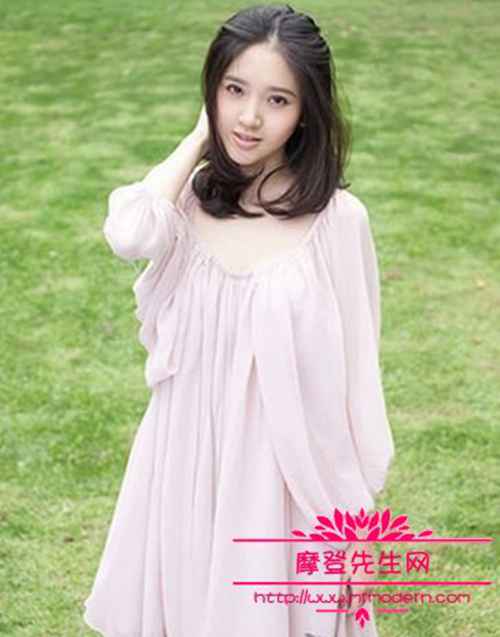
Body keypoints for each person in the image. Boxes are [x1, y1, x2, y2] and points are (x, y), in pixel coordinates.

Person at [83, 4, 395, 636]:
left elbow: (358, 379)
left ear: (306, 110)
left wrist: (358, 522)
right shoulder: (187, 203)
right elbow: (128, 232)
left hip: (281, 479)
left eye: (277, 99)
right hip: (183, 465)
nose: (250, 117)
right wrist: (197, 140)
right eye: (234, 90)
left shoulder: (339, 223)